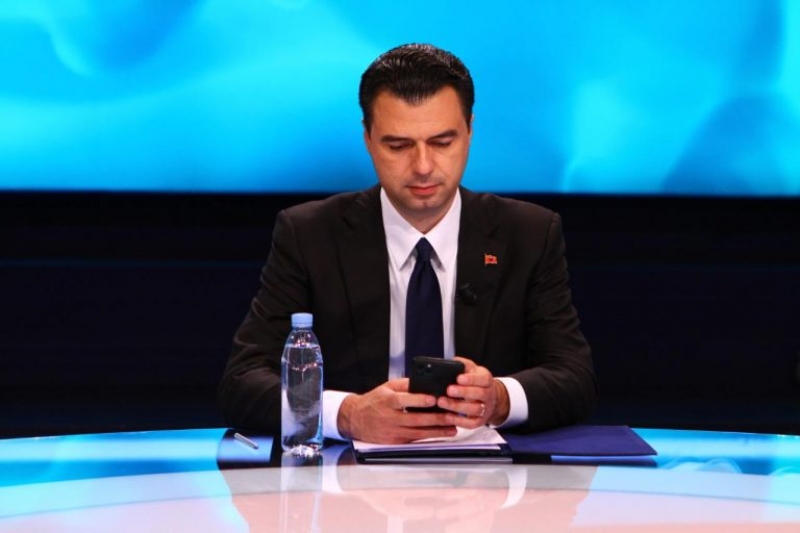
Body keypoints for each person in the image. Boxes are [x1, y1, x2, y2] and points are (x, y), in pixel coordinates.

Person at [218, 43, 596, 444]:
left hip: (491, 475)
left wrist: (500, 399)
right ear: (367, 138)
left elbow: (574, 377)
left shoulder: (529, 234)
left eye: (442, 142)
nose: (423, 167)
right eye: (398, 146)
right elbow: (242, 382)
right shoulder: (309, 234)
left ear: (470, 130)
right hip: (349, 475)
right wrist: (347, 415)